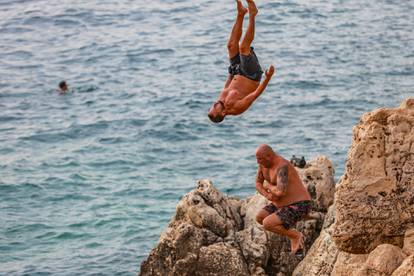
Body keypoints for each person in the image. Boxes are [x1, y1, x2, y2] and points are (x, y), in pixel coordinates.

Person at [208, 0, 275, 123]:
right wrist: (268, 77)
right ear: (223, 113)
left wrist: (231, 70)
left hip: (237, 72)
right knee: (244, 48)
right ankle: (253, 14)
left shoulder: (220, 101)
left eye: (211, 107)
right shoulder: (237, 108)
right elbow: (255, 95)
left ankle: (241, 13)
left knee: (231, 46)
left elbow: (228, 84)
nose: (214, 104)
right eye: (214, 108)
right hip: (251, 75)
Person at [254, 144, 312, 254]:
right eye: (257, 159)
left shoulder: (282, 166)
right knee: (260, 217)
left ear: (269, 156)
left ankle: (295, 236)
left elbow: (280, 192)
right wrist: (267, 195)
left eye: (260, 159)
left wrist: (268, 186)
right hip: (280, 204)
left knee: (268, 223)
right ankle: (291, 232)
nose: (258, 162)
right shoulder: (263, 165)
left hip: (300, 204)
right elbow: (257, 183)